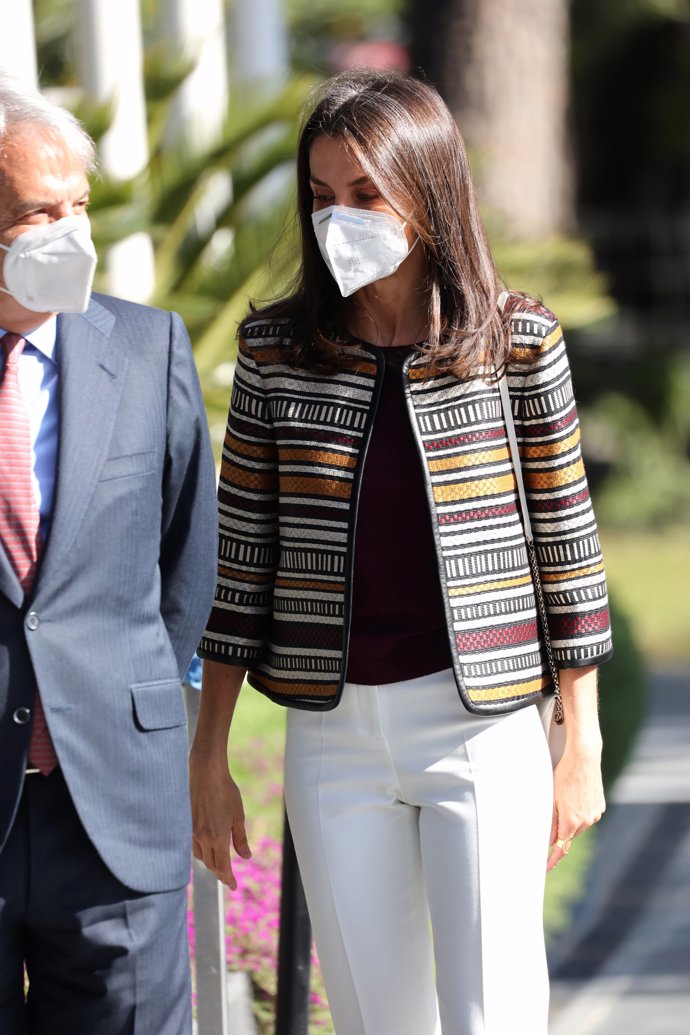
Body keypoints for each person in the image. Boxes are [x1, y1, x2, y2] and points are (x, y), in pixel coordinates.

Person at [190, 69, 613, 1035]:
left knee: (491, 1014)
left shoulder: (516, 343)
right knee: (377, 1019)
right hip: (333, 735)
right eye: (320, 195)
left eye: (366, 194)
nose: (338, 217)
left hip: (481, 726)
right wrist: (208, 752)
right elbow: (241, 559)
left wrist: (579, 743)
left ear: (428, 193)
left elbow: (568, 545)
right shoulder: (275, 351)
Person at [0, 72, 217, 1034]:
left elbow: (189, 558)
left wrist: (134, 701)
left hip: (113, 816)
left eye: (78, 206)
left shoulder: (149, 347)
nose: (70, 233)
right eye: (37, 214)